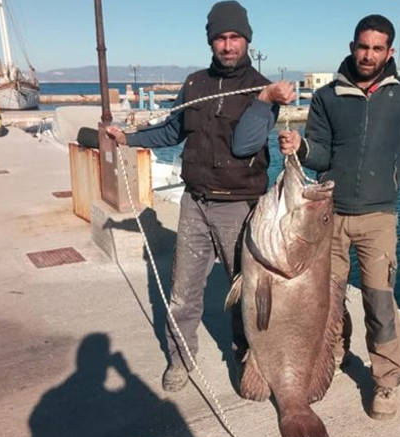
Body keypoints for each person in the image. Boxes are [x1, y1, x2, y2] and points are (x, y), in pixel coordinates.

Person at [107, 1, 296, 392]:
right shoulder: (194, 84)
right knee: (183, 292)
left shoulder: (263, 88)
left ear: (247, 40)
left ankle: (250, 360)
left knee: (246, 293)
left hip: (240, 208)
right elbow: (171, 131)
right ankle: (181, 359)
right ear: (211, 42)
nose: (227, 46)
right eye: (220, 38)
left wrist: (263, 103)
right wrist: (129, 139)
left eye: (234, 38)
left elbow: (246, 146)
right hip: (195, 202)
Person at [278, 14, 400, 420]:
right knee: (326, 299)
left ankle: (386, 381)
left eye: (377, 48)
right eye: (363, 46)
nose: (368, 54)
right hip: (329, 215)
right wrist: (301, 147)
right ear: (352, 45)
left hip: (379, 218)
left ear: (390, 52)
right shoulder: (327, 96)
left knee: (379, 301)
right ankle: (332, 356)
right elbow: (320, 153)